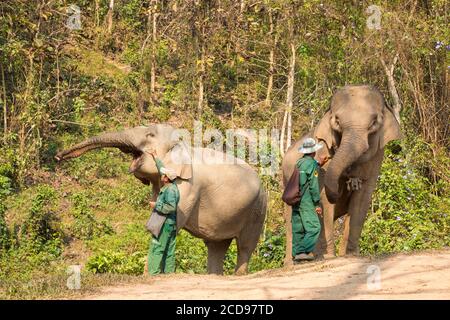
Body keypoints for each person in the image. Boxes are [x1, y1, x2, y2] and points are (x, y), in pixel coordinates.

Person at [146, 149, 180, 275]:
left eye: (163, 175)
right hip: (171, 223)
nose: (161, 175)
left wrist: (156, 205)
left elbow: (171, 207)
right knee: (169, 249)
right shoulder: (172, 185)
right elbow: (162, 169)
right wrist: (155, 156)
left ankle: (153, 274)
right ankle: (168, 274)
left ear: (166, 179)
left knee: (157, 247)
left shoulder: (170, 190)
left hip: (164, 224)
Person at [292, 138, 324, 262]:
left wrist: (317, 164)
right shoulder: (311, 164)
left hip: (295, 199)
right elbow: (313, 186)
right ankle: (302, 251)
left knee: (298, 228)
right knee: (315, 227)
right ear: (313, 152)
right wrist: (317, 203)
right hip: (306, 200)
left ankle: (296, 255)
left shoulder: (299, 163)